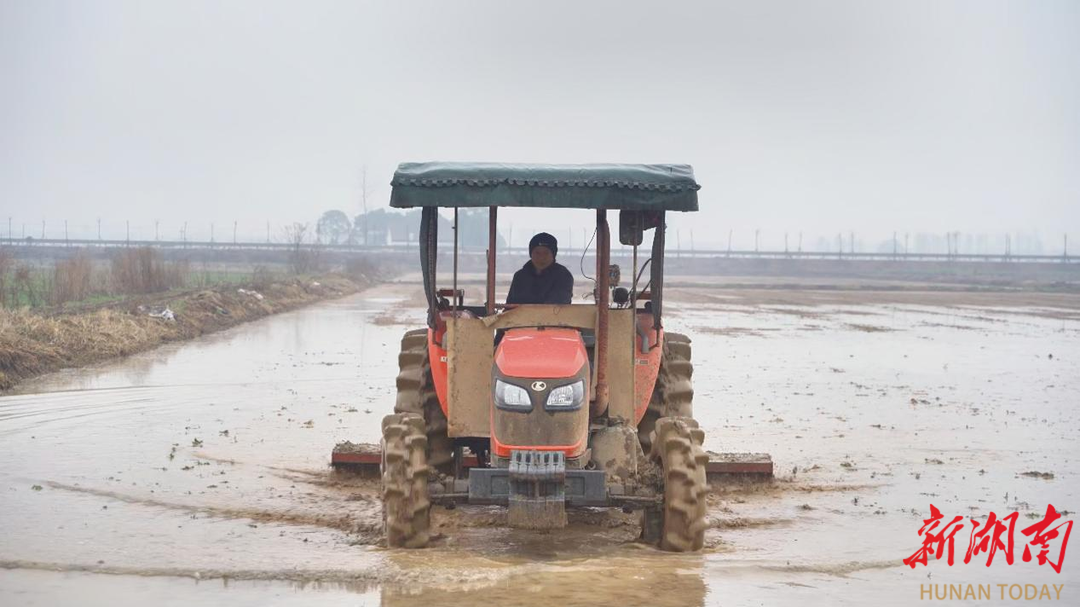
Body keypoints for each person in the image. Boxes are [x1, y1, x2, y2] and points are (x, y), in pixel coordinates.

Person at [506, 232, 574, 305]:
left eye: (546, 253)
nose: (541, 258)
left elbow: (557, 305)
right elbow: (510, 305)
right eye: (537, 253)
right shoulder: (520, 276)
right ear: (531, 254)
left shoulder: (563, 276)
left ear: (553, 254)